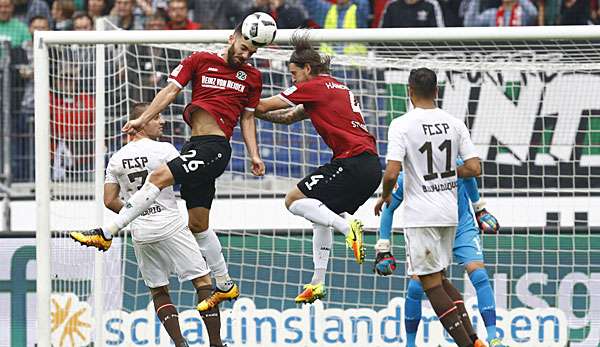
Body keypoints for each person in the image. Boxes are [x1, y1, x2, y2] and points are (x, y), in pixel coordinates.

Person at [70, 19, 266, 313]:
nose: (245, 55)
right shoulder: (200, 60)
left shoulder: (252, 77)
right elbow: (170, 92)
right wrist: (142, 118)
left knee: (159, 175)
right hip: (194, 146)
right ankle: (225, 285)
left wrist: (254, 154)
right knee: (198, 224)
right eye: (243, 47)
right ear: (232, 37)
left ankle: (107, 233)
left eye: (252, 52)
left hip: (215, 147)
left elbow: (247, 118)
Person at [256, 31, 382, 304]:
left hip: (352, 161)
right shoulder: (337, 87)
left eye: (293, 73)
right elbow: (289, 117)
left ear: (307, 69)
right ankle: (317, 282)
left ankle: (346, 227)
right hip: (370, 166)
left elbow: (265, 104)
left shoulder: (312, 87)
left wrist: (233, 100)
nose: (292, 79)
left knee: (293, 200)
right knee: (318, 213)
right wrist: (256, 113)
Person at [97, 103, 225, 347]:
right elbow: (190, 177)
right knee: (203, 282)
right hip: (171, 224)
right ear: (141, 123)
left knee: (158, 290)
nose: (162, 122)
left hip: (141, 231)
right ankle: (216, 343)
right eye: (156, 117)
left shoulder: (116, 159)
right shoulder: (164, 150)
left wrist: (137, 212)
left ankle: (179, 343)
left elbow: (109, 200)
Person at [374, 67, 485, 347]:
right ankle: (474, 339)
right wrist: (447, 171)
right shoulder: (454, 123)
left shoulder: (401, 124)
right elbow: (474, 168)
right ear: (437, 91)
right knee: (439, 278)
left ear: (409, 92)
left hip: (421, 215)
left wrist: (386, 195)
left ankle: (466, 344)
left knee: (430, 284)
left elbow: (391, 173)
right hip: (449, 214)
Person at [374, 159, 505, 347]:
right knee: (418, 286)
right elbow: (388, 208)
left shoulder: (453, 162)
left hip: (461, 227)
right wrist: (383, 247)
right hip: (430, 231)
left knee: (479, 274)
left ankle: (493, 338)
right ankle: (412, 343)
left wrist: (479, 209)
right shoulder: (408, 176)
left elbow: (470, 174)